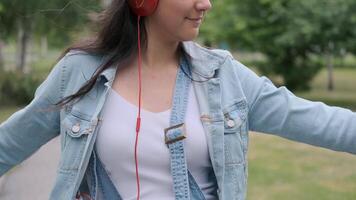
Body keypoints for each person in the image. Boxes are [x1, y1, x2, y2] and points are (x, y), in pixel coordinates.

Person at [1, 0, 356, 199]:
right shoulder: (78, 73)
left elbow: (325, 124)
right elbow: (9, 145)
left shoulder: (224, 77)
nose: (206, 4)